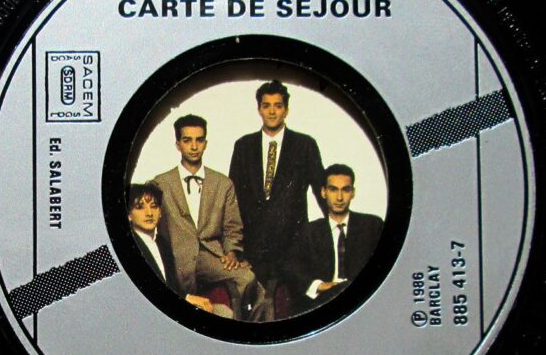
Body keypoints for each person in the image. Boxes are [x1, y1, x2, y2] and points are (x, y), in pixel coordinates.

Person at [229, 80, 326, 319]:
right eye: (266, 105)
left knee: (291, 312)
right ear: (259, 109)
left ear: (286, 110)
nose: (272, 111)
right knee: (255, 312)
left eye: (278, 105)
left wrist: (331, 236)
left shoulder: (305, 145)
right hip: (253, 247)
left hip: (292, 245)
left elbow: (322, 192)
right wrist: (234, 248)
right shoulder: (243, 146)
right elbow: (231, 200)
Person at [154, 114, 263, 321]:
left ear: (206, 143)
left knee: (249, 279)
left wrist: (232, 252)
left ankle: (243, 332)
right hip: (176, 259)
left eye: (199, 140)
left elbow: (232, 226)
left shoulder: (223, 184)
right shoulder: (160, 183)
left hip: (211, 257)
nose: (194, 146)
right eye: (187, 140)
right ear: (178, 144)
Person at [283, 164, 384, 316]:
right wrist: (319, 285)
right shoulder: (308, 232)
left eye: (345, 190)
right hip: (322, 304)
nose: (339, 197)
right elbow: (291, 266)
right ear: (323, 192)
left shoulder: (372, 226)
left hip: (362, 302)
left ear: (353, 193)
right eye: (333, 189)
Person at [127, 181, 232, 318]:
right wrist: (186, 299)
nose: (149, 213)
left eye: (154, 206)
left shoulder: (162, 243)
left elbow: (172, 286)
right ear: (129, 215)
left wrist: (186, 297)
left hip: (171, 307)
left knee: (224, 311)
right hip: (149, 315)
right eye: (140, 207)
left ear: (160, 212)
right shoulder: (130, 247)